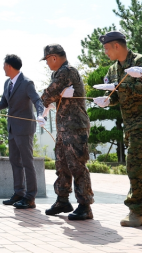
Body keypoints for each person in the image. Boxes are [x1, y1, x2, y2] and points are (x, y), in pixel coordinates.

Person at [92, 31, 142, 227]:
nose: (105, 52)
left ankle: (137, 212)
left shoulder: (141, 62)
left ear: (116, 46)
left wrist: (119, 88)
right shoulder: (113, 69)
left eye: (106, 48)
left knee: (136, 168)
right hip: (130, 125)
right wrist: (107, 100)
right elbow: (114, 94)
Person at [0, 54, 44, 209]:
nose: (3, 68)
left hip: (24, 129)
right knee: (15, 161)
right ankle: (19, 192)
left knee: (27, 162)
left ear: (10, 66)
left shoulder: (26, 83)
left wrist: (40, 115)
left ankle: (30, 197)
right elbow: (3, 103)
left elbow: (37, 100)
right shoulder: (7, 83)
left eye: (4, 65)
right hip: (12, 128)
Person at [39, 44, 94, 220]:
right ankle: (62, 200)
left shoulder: (67, 71)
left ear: (53, 57)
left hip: (75, 126)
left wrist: (49, 96)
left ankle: (85, 205)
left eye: (47, 60)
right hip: (64, 126)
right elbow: (51, 96)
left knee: (77, 165)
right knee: (62, 165)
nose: (47, 64)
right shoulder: (58, 73)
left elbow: (48, 95)